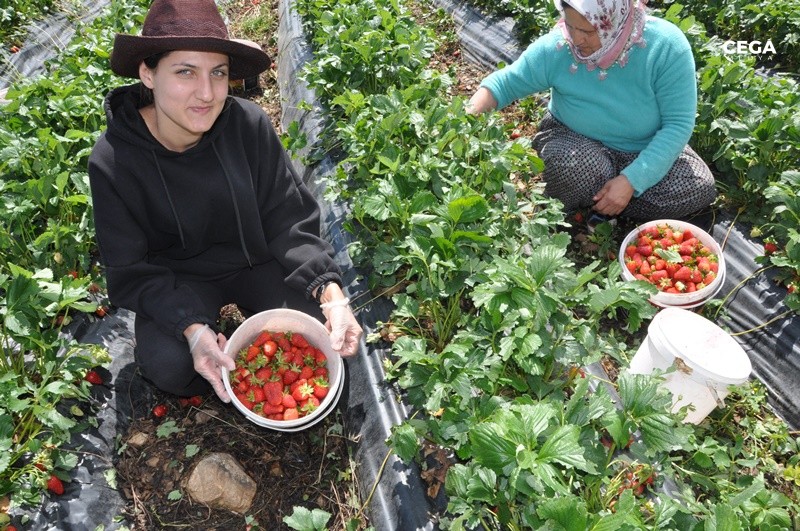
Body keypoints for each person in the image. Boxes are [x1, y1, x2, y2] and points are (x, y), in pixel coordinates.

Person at [88, 0, 362, 403]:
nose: (206, 93)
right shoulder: (114, 161)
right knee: (168, 365)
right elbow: (131, 270)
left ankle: (253, 349)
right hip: (181, 278)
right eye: (185, 72)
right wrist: (192, 329)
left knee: (319, 339)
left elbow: (288, 217)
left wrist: (331, 294)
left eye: (218, 73)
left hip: (258, 260)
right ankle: (214, 352)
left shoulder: (247, 125)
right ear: (147, 73)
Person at [467, 0, 716, 222]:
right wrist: (461, 122)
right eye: (570, 25)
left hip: (640, 147)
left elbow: (678, 124)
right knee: (576, 164)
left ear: (614, 20)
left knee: (698, 188)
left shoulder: (665, 47)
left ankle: (602, 202)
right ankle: (584, 203)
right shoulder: (559, 47)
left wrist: (632, 180)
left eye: (587, 30)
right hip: (573, 139)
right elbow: (503, 85)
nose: (576, 39)